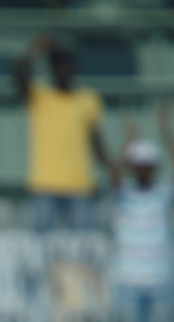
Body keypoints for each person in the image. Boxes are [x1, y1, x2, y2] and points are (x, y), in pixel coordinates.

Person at [13, 35, 110, 232]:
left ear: (74, 68)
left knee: (85, 247)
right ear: (50, 69)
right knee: (41, 249)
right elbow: (18, 75)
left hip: (80, 184)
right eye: (57, 65)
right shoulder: (40, 96)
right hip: (45, 184)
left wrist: (109, 167)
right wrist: (34, 51)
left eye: (66, 65)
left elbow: (96, 141)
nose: (63, 70)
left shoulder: (89, 99)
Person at [108, 119, 174, 322]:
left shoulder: (164, 194)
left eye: (148, 167)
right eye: (139, 166)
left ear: (155, 169)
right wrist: (127, 146)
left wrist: (167, 133)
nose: (143, 171)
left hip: (160, 282)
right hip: (128, 282)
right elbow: (114, 176)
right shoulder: (123, 195)